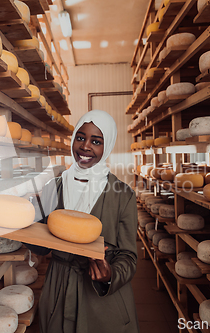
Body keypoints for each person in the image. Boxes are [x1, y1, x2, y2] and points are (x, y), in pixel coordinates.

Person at [28, 110, 140, 333]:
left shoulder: (122, 194)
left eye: (96, 141)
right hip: (58, 285)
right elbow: (41, 246)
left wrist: (110, 275)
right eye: (80, 137)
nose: (85, 146)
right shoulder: (54, 187)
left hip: (100, 297)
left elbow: (128, 256)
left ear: (106, 147)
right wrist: (24, 222)